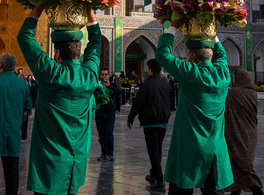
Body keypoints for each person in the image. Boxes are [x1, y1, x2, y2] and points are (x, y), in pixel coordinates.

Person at [17, 5, 101, 195]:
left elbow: (24, 37)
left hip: (49, 165)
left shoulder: (52, 74)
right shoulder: (89, 76)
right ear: (78, 51)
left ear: (57, 53)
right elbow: (96, 42)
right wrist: (89, 11)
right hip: (76, 164)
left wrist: (39, 5)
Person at [156, 20, 233, 194]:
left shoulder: (191, 73)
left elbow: (162, 55)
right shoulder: (223, 74)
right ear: (210, 56)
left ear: (191, 57)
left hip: (189, 148)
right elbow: (222, 55)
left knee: (182, 187)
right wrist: (211, 32)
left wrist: (174, 25)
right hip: (215, 148)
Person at [0, 53, 32, 195]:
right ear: (15, 67)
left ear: (0, 65)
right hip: (13, 131)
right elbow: (28, 105)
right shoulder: (22, 83)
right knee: (12, 170)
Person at [127, 58, 172, 192]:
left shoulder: (147, 85)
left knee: (153, 152)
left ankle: (160, 180)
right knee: (157, 149)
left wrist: (130, 118)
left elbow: (138, 103)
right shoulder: (166, 84)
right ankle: (153, 175)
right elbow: (170, 103)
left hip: (151, 122)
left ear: (151, 70)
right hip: (163, 121)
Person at [222, 69, 263, 195]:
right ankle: (235, 192)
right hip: (250, 134)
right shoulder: (253, 93)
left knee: (244, 168)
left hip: (235, 134)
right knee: (240, 166)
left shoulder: (232, 94)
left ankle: (257, 191)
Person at [95, 68, 121, 162]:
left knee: (109, 134)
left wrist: (109, 86)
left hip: (110, 113)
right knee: (101, 134)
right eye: (102, 74)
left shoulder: (113, 85)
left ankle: (110, 154)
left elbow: (118, 92)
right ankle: (104, 153)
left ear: (109, 75)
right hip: (100, 112)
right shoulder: (97, 85)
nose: (104, 76)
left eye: (106, 74)